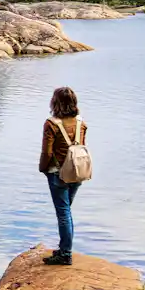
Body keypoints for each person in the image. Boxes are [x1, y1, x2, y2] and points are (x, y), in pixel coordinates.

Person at [39, 87, 86, 266]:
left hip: (58, 174)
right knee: (66, 211)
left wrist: (43, 169)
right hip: (77, 172)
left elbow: (47, 152)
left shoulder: (51, 124)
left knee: (63, 213)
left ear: (55, 102)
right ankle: (64, 248)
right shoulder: (81, 122)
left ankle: (65, 254)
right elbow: (82, 146)